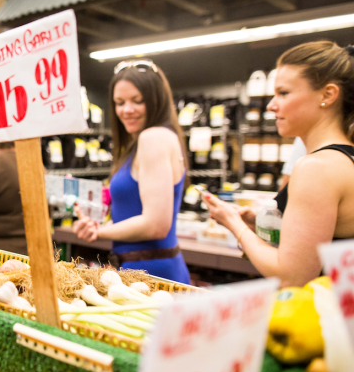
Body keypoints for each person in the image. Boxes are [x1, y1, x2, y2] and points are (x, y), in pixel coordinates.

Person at [205, 41, 354, 287]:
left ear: (328, 95)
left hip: (319, 318)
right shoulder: (343, 158)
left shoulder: (316, 168)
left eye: (283, 93)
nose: (272, 105)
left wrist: (234, 224)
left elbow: (292, 276)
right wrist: (264, 226)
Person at [73, 59, 190, 284]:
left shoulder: (153, 138)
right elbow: (133, 215)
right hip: (140, 273)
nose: (127, 110)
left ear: (156, 99)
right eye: (119, 102)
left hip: (152, 276)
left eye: (137, 101)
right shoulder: (146, 141)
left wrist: (99, 230)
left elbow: (155, 224)